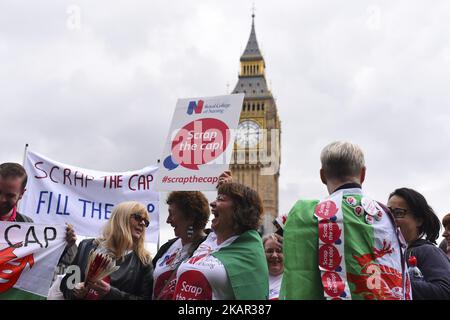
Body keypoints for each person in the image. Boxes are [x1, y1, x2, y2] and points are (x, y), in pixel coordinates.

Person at [280, 141, 409, 300]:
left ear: (322, 175)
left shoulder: (306, 214)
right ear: (363, 174)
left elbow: (298, 279)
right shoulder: (386, 215)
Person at [173, 182, 268, 300]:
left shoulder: (249, 249)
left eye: (221, 199)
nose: (212, 203)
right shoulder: (209, 240)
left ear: (240, 209)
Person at [60, 201, 153, 300]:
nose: (142, 223)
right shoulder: (87, 246)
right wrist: (76, 292)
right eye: (138, 217)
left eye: (146, 222)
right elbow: (66, 285)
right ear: (120, 219)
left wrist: (110, 293)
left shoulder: (144, 262)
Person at [0, 162, 77, 266]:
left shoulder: (27, 226)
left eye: (10, 195)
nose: (2, 199)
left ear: (22, 194)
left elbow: (41, 265)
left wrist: (65, 245)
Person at [387, 188, 450, 299]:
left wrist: (392, 280)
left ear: (418, 220)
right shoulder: (388, 254)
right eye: (387, 213)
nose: (390, 219)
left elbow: (445, 291)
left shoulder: (427, 251)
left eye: (398, 213)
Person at [152, 191, 210, 299]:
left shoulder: (211, 249)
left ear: (190, 218)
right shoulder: (166, 247)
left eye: (172, 214)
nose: (168, 220)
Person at [263, 233, 284, 300]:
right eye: (269, 251)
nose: (274, 255)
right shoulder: (255, 281)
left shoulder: (295, 278)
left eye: (279, 251)